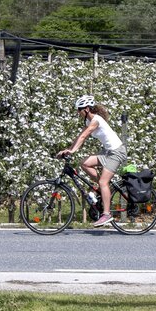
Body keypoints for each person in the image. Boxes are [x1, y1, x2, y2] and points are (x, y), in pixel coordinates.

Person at [57, 95, 128, 226]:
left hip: (117, 152)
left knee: (103, 181)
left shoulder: (96, 119)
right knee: (85, 163)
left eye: (80, 109)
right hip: (108, 152)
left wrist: (72, 151)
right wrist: (69, 149)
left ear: (87, 109)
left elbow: (84, 136)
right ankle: (104, 190)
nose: (78, 112)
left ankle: (106, 214)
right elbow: (80, 136)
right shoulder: (88, 121)